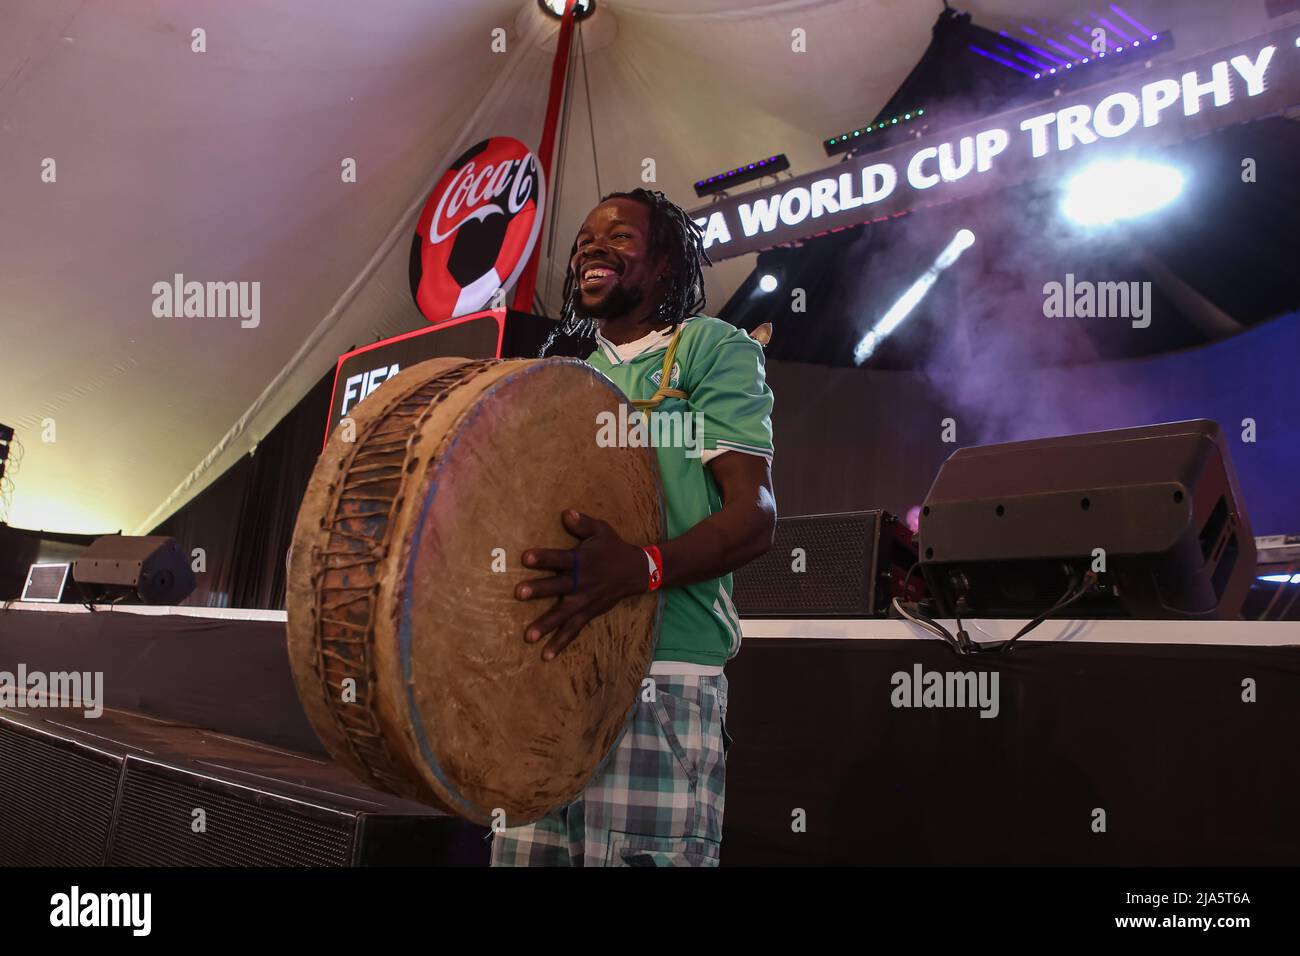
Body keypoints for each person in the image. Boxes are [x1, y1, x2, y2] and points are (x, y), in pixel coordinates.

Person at [490, 188, 777, 866]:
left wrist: (639, 567)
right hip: (553, 684)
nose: (592, 246)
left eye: (618, 236)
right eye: (585, 238)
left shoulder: (710, 350)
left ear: (667, 267)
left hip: (663, 682)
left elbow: (755, 516)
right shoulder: (567, 378)